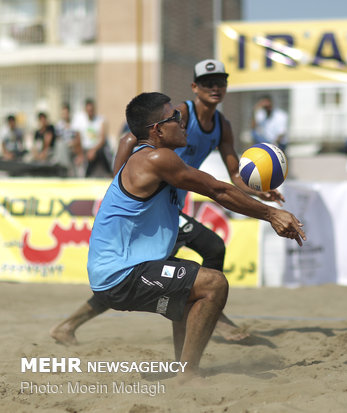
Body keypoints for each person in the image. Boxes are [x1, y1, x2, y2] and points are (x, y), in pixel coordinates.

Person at [51, 59, 284, 346]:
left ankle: (70, 324)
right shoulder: (179, 114)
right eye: (208, 82)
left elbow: (234, 173)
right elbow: (129, 138)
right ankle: (213, 310)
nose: (215, 87)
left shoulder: (222, 125)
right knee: (208, 248)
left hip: (171, 207)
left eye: (220, 82)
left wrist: (259, 192)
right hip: (153, 205)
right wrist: (121, 187)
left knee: (144, 273)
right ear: (194, 87)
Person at [86, 91, 305, 382]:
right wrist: (271, 214)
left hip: (120, 269)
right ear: (158, 130)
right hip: (120, 273)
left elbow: (227, 181)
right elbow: (218, 190)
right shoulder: (156, 158)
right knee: (213, 284)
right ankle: (188, 373)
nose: (182, 122)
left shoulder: (154, 155)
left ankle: (182, 368)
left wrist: (260, 196)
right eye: (174, 117)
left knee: (190, 287)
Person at [72, 98, 112, 177]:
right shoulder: (80, 120)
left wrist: (93, 150)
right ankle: (86, 175)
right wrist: (80, 154)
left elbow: (102, 139)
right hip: (84, 149)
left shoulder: (100, 120)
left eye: (91, 110)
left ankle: (109, 174)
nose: (90, 112)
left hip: (97, 148)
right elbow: (77, 139)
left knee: (101, 152)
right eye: (88, 110)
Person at [55, 102, 84, 177]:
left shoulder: (74, 124)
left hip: (73, 147)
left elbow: (78, 139)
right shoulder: (59, 125)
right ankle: (64, 168)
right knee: (61, 146)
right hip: (64, 147)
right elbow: (58, 139)